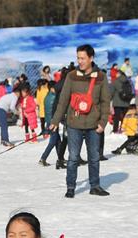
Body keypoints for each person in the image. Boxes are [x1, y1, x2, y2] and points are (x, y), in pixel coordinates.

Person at [48, 43, 112, 198]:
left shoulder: (101, 78)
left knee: (94, 157)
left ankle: (95, 186)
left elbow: (105, 101)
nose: (80, 61)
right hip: (74, 124)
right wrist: (55, 120)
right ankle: (70, 187)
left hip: (93, 125)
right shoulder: (71, 76)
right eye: (78, 58)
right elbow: (63, 100)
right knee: (73, 157)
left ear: (91, 58)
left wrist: (103, 122)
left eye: (83, 58)